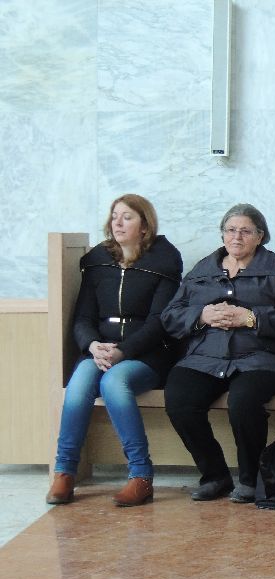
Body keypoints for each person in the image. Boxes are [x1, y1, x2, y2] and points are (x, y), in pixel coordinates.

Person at [161, 204, 275, 503]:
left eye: (245, 231)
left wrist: (251, 318)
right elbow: (170, 315)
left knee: (243, 401)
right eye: (230, 230)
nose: (236, 237)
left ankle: (250, 478)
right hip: (206, 358)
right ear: (222, 234)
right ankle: (214, 475)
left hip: (263, 358)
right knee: (179, 398)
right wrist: (201, 315)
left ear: (260, 236)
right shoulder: (202, 270)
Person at [47, 194, 183, 507]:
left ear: (145, 226)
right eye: (114, 216)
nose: (117, 223)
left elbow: (160, 322)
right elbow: (82, 318)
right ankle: (64, 472)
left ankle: (141, 475)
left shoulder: (164, 262)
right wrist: (92, 345)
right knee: (78, 385)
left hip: (148, 353)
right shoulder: (97, 262)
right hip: (100, 349)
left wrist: (123, 351)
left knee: (113, 383)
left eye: (127, 217)